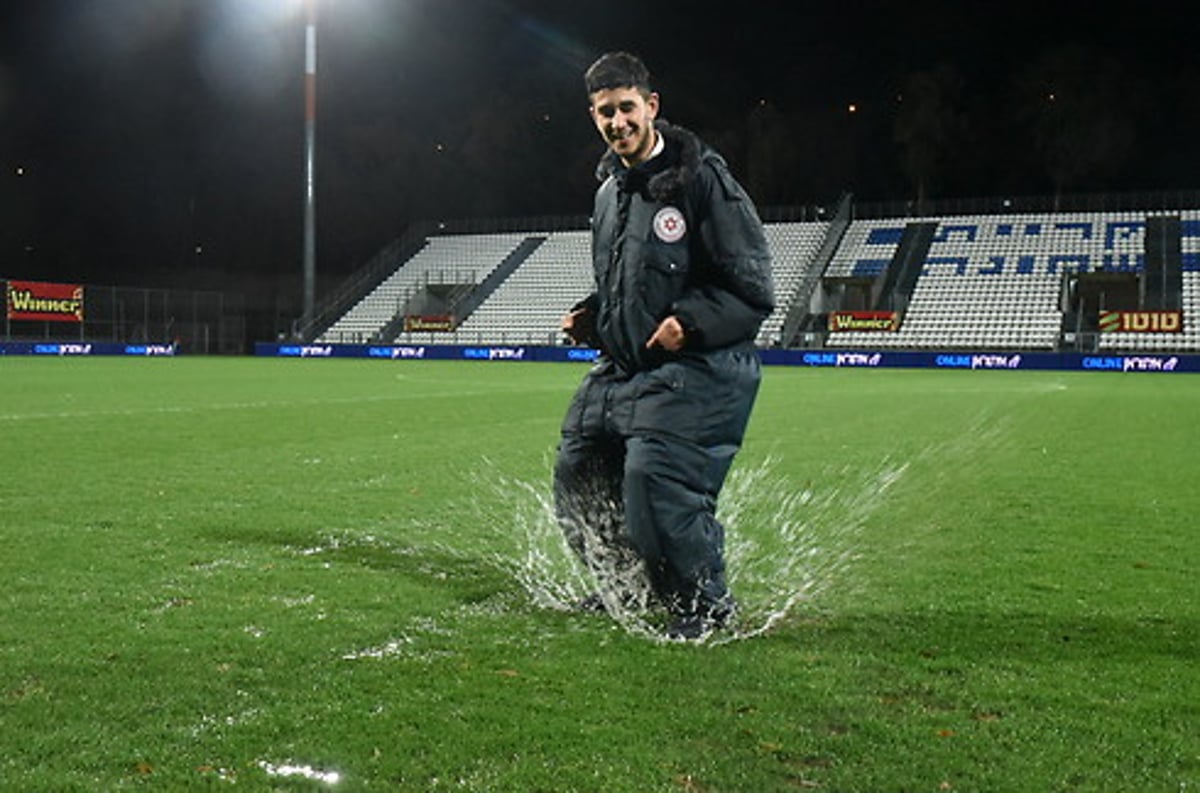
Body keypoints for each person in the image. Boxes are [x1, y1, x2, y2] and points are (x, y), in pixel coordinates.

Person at [554, 51, 775, 641]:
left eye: (627, 107)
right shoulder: (608, 193)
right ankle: (628, 587)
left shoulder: (704, 180)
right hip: (628, 368)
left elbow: (753, 291)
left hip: (700, 368)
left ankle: (707, 606)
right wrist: (592, 316)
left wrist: (690, 324)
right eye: (605, 112)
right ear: (593, 116)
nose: (617, 122)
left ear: (651, 107)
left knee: (655, 484)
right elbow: (627, 285)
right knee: (577, 471)